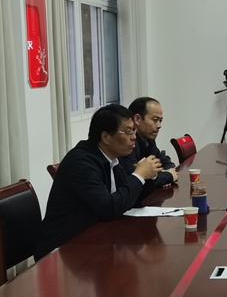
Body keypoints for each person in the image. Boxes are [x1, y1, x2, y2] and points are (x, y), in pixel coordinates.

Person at [34, 104, 162, 260]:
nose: (134, 136)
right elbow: (109, 208)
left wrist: (148, 176)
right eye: (128, 132)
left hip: (94, 238)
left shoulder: (113, 157)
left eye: (134, 131)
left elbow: (129, 199)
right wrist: (139, 176)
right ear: (106, 137)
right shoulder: (81, 162)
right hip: (62, 249)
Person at [121, 97, 178, 188]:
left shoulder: (149, 139)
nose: (159, 125)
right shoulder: (128, 143)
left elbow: (163, 161)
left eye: (160, 120)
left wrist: (166, 172)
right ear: (137, 119)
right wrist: (168, 176)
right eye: (155, 120)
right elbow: (138, 179)